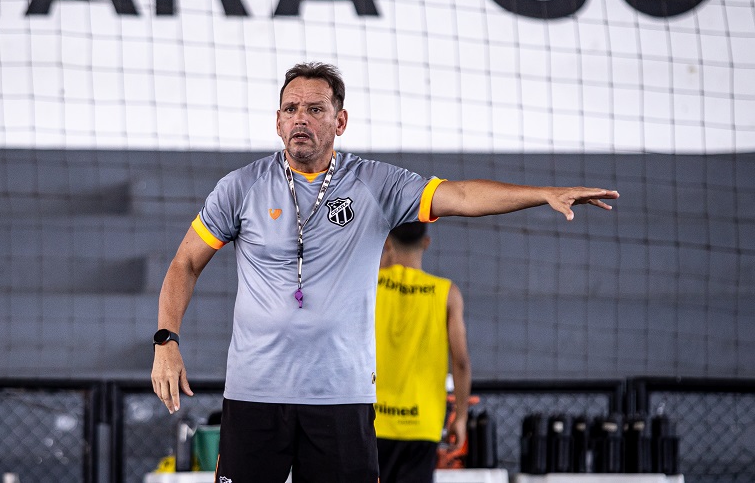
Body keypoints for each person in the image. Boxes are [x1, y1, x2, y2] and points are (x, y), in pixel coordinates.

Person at [151, 62, 618, 483]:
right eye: (290, 108)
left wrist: (542, 193)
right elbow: (184, 262)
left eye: (315, 109)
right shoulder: (240, 187)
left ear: (340, 120)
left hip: (340, 398)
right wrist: (166, 341)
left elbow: (460, 196)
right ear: (277, 121)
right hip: (254, 394)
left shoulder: (376, 184)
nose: (300, 118)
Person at [374, 221, 470, 483]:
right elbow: (460, 361)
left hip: (373, 421)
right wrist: (460, 417)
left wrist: (383, 259)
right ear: (426, 243)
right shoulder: (447, 293)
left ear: (388, 243)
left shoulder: (369, 285)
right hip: (422, 423)